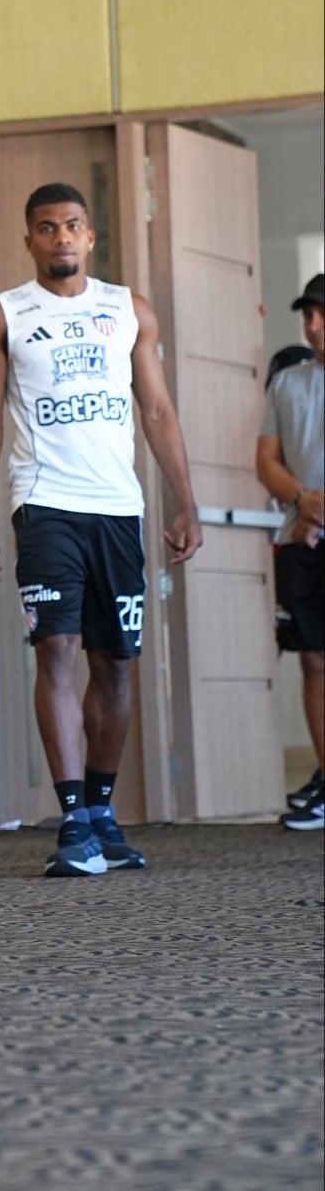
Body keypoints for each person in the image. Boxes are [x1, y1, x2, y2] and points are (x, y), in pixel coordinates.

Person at [0, 182, 202, 877]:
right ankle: (72, 819)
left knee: (115, 662)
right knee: (57, 649)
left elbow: (156, 412)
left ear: (90, 237)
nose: (61, 238)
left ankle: (101, 809)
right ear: (29, 239)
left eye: (73, 226)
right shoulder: (2, 316)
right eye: (47, 228)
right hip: (44, 502)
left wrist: (184, 500)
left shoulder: (128, 310)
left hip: (118, 509)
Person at [256, 273, 324, 831]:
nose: (313, 324)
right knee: (313, 658)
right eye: (307, 315)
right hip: (302, 540)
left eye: (321, 313)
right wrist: (303, 503)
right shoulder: (287, 385)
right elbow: (268, 463)